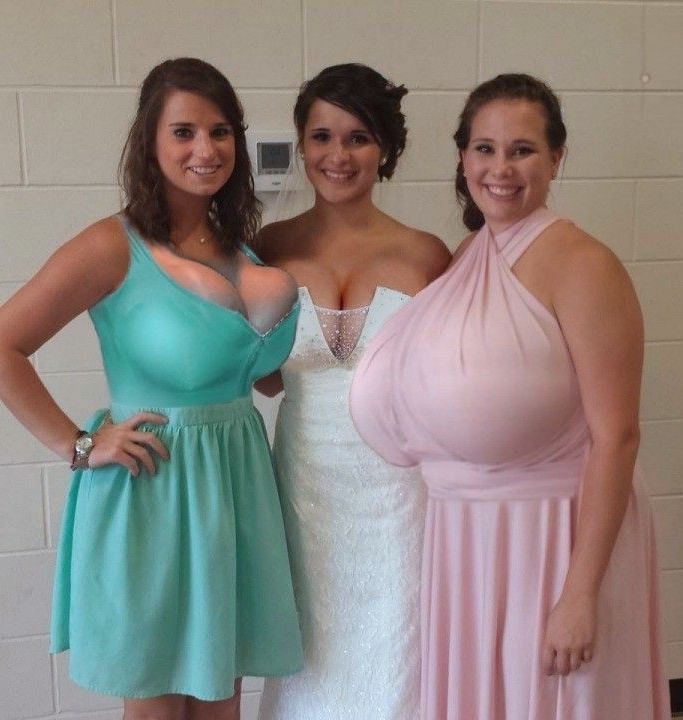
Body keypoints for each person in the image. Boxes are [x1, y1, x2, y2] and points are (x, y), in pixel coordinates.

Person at [350, 73, 671, 719]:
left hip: (556, 539)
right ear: (463, 156)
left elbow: (617, 437)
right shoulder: (470, 253)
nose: (500, 169)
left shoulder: (584, 264)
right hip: (466, 539)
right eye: (484, 149)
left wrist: (580, 594)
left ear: (556, 158)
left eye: (522, 150)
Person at [0, 57, 303, 720]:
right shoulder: (113, 245)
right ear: (150, 141)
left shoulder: (239, 248)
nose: (205, 149)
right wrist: (79, 445)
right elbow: (4, 344)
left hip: (234, 487)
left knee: (219, 703)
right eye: (183, 132)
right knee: (158, 705)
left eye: (220, 131)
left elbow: (261, 374)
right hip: (153, 489)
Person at [255, 63, 450, 720]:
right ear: (302, 144)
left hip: (400, 494)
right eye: (322, 137)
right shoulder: (268, 247)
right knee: (312, 653)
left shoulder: (427, 255)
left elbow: (454, 383)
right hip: (304, 484)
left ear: (385, 149)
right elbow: (261, 374)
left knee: (400, 649)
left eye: (358, 138)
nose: (338, 156)